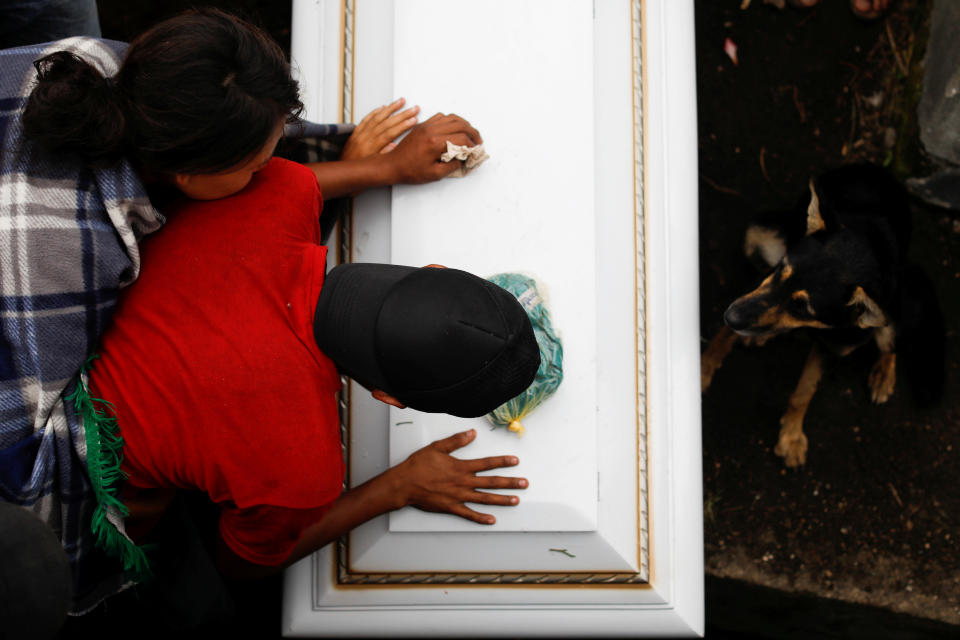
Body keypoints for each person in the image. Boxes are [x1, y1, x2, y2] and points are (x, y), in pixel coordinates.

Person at [0, 8, 483, 615]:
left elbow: (280, 187)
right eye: (259, 166)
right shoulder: (72, 253)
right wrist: (392, 488)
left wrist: (383, 167)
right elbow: (33, 474)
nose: (276, 171)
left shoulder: (97, 65)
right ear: (184, 177)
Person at [80, 156, 535, 599]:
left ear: (432, 269)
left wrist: (386, 167)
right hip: (81, 465)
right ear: (388, 397)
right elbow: (237, 565)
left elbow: (307, 184)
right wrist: (397, 487)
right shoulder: (299, 472)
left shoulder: (282, 186)